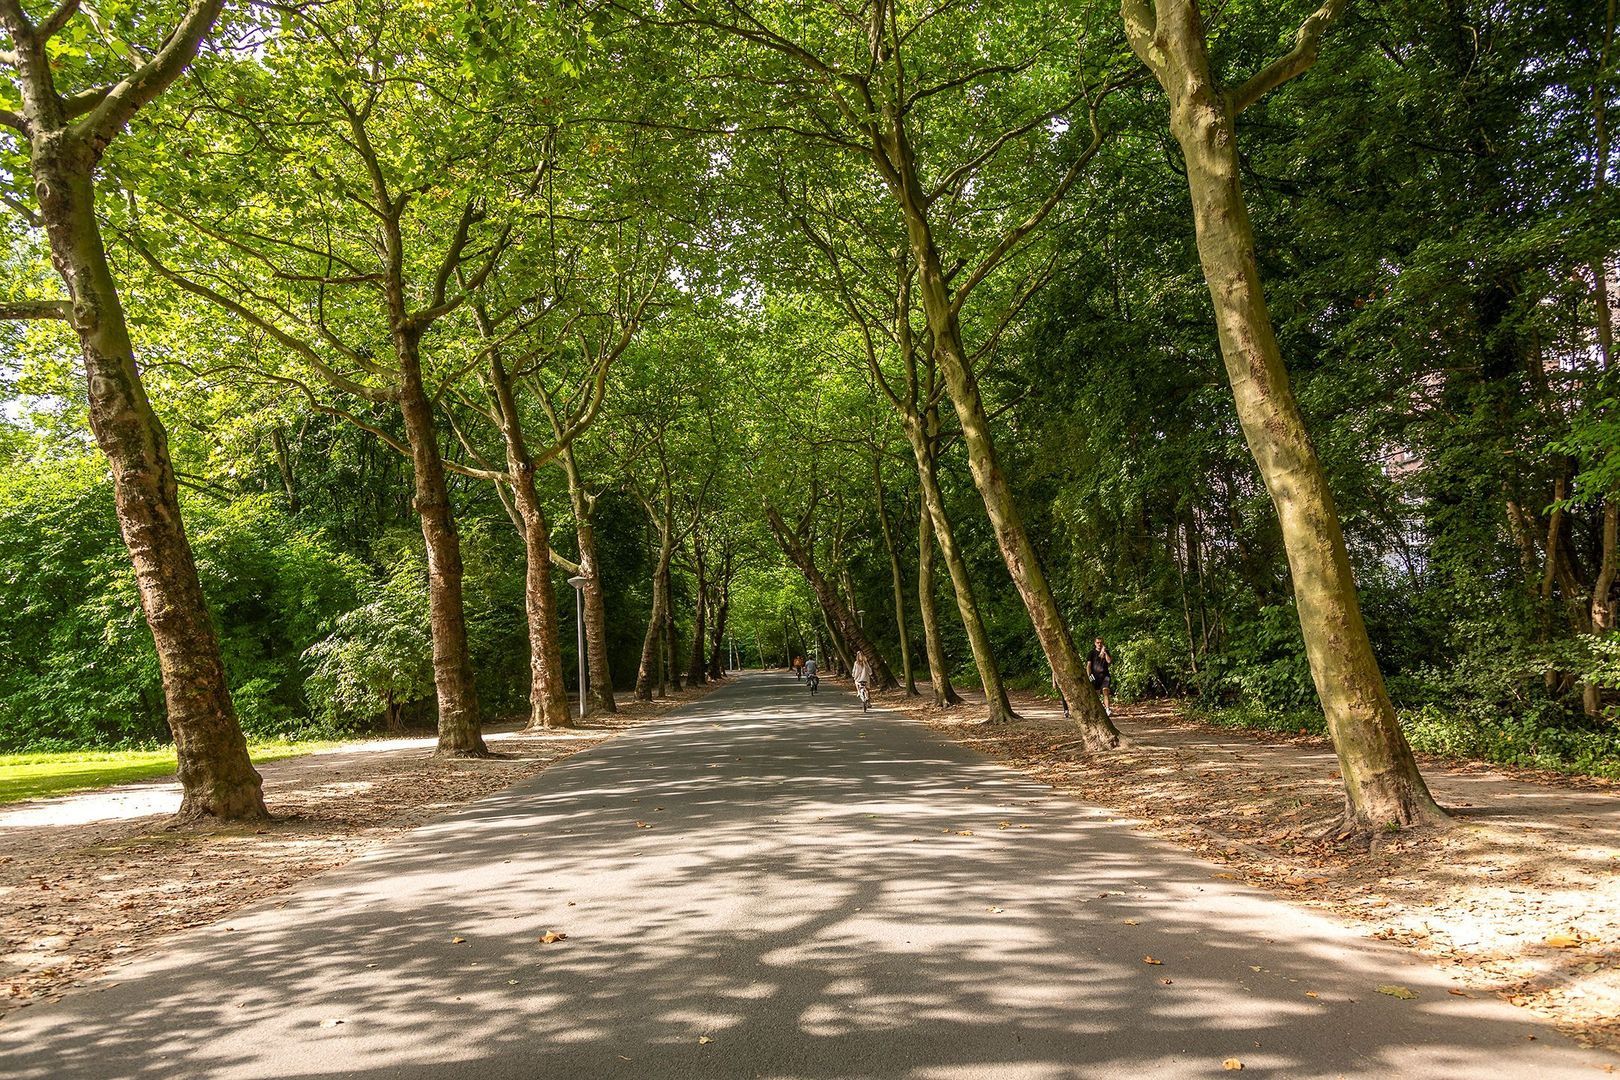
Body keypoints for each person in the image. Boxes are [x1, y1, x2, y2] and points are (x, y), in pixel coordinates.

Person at [1086, 637, 1113, 714]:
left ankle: (1107, 709)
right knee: (1096, 694)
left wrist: (1105, 653)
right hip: (1095, 676)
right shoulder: (1091, 653)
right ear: (1095, 643)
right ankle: (1097, 710)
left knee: (1105, 691)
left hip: (1105, 676)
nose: (1099, 644)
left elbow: (1109, 661)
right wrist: (1089, 676)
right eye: (1097, 642)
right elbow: (1088, 665)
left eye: (1100, 642)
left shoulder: (1106, 652)